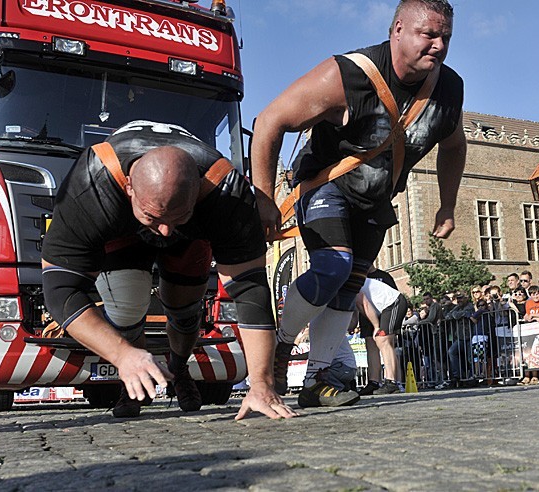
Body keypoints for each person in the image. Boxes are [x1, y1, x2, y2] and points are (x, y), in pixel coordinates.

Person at [253, 0, 465, 407]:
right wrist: (263, 199)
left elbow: (454, 146)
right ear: (397, 29)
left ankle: (316, 381)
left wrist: (448, 205)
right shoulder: (348, 74)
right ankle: (280, 346)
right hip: (327, 184)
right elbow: (269, 121)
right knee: (334, 266)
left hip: (376, 198)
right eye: (429, 35)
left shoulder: (450, 88)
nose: (439, 45)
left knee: (348, 287)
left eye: (446, 37)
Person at [41, 120, 295, 420]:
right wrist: (122, 355)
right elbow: (60, 290)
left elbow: (251, 290)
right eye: (153, 217)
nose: (164, 231)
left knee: (185, 309)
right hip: (125, 228)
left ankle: (179, 367)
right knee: (126, 307)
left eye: (177, 215)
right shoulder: (91, 184)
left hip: (192, 230)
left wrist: (262, 385)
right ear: (129, 187)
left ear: (199, 190)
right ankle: (134, 374)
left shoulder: (225, 190)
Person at [356, 273, 409, 395]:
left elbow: (364, 304)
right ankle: (374, 382)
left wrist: (376, 327)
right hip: (379, 308)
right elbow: (354, 312)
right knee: (371, 342)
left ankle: (392, 382)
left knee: (382, 339)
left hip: (393, 303)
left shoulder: (350, 282)